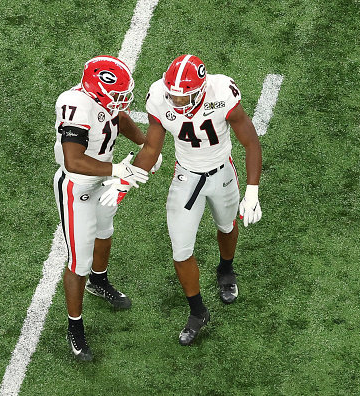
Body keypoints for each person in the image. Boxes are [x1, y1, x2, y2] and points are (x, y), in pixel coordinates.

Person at [131, 54, 263, 346]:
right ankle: (197, 311)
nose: (177, 102)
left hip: (222, 172)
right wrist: (122, 181)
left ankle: (225, 270)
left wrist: (252, 191)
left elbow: (251, 141)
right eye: (173, 96)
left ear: (201, 90)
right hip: (186, 177)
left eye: (184, 97)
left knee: (227, 226)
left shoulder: (221, 93)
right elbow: (152, 148)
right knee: (180, 251)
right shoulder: (159, 97)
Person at [53, 55, 149, 361]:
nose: (121, 101)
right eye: (116, 95)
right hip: (78, 185)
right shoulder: (76, 105)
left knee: (105, 231)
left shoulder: (105, 104)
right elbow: (74, 160)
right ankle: (75, 328)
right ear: (97, 90)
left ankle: (99, 281)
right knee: (78, 261)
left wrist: (145, 143)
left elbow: (118, 117)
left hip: (104, 179)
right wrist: (117, 172)